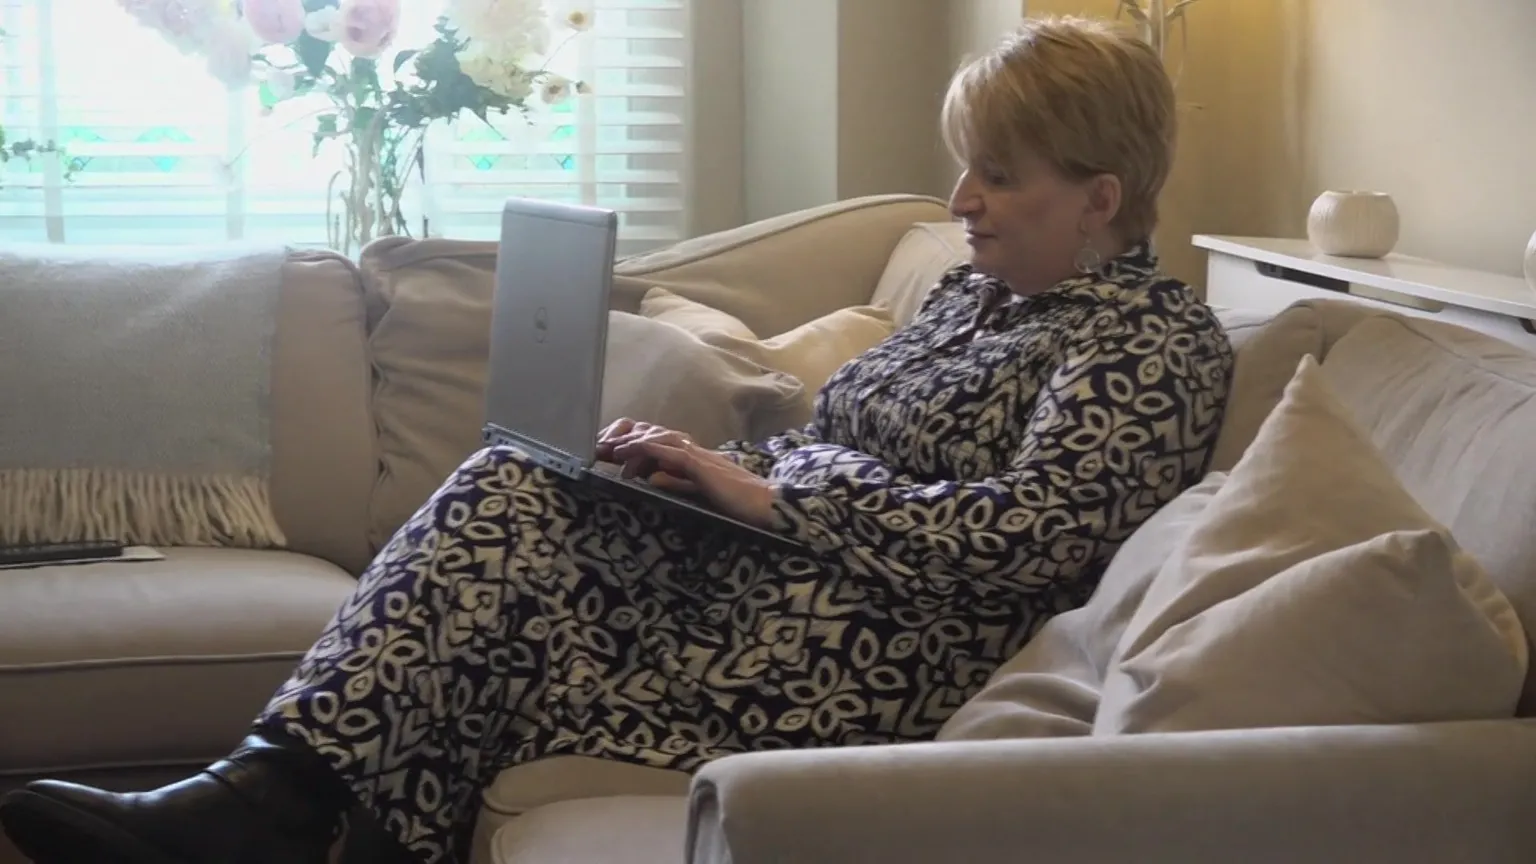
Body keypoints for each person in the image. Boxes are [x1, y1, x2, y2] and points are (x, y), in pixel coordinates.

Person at [0, 15, 1234, 864]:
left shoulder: (1148, 344)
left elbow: (1031, 542)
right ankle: (282, 804)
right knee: (529, 487)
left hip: (891, 647)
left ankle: (271, 801)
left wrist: (772, 504)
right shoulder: (978, 295)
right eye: (965, 169)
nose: (960, 201)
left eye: (996, 177)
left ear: (1101, 197)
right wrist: (721, 470)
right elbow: (847, 441)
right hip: (801, 570)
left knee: (510, 532)